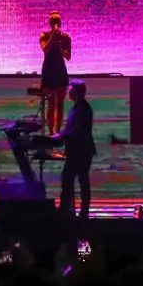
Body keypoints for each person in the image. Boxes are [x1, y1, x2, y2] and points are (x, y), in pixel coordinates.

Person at [52, 79, 95, 219]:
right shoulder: (77, 108)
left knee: (76, 181)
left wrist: (60, 136)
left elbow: (76, 131)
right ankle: (68, 210)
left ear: (77, 92)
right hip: (76, 150)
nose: (68, 93)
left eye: (71, 90)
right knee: (71, 181)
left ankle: (76, 212)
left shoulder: (83, 109)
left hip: (81, 150)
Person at [39, 11, 72, 136]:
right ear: (50, 23)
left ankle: (58, 132)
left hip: (60, 72)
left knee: (60, 104)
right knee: (51, 104)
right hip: (49, 71)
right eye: (53, 22)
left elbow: (68, 57)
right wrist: (52, 38)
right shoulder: (44, 35)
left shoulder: (65, 37)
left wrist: (60, 47)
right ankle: (51, 133)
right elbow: (45, 50)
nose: (55, 24)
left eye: (57, 22)